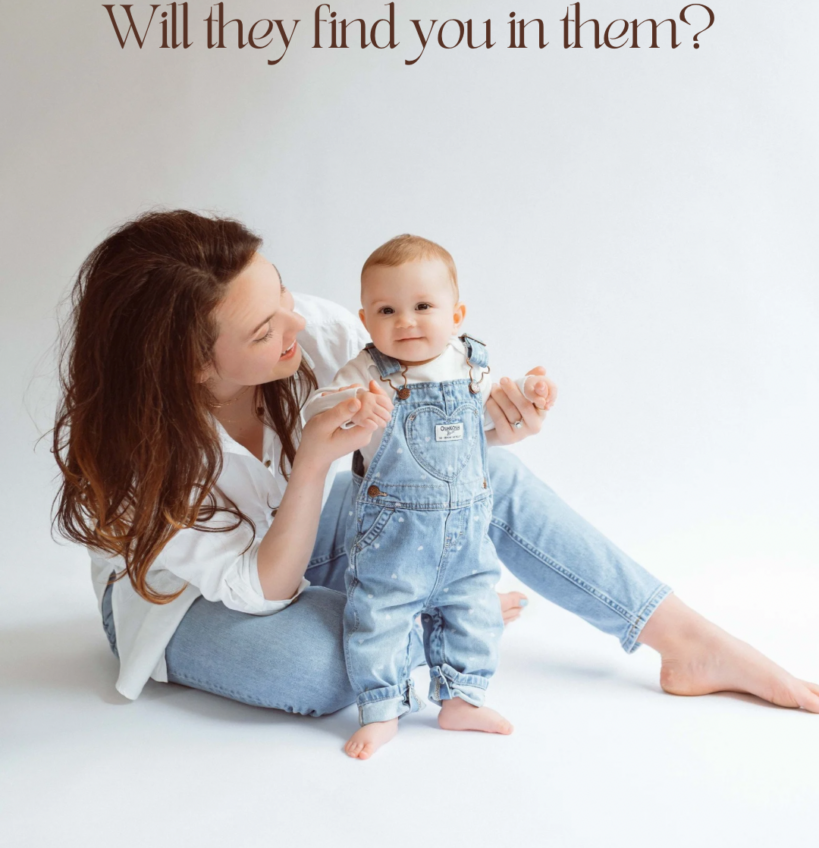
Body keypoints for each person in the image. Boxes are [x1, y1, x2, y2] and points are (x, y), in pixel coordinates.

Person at [52, 210, 819, 759]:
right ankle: (449, 618)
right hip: (189, 604)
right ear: (192, 366)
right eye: (262, 331)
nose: (294, 321)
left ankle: (686, 642)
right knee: (314, 669)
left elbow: (427, 437)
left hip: (309, 529)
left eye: (278, 292)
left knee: (488, 477)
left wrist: (490, 429)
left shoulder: (311, 334)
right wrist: (315, 461)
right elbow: (265, 591)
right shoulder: (132, 469)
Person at [303, 233, 557, 758]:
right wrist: (351, 405)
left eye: (423, 306)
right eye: (387, 309)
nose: (406, 321)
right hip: (391, 536)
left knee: (475, 613)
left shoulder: (472, 366)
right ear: (366, 319)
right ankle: (381, 708)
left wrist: (530, 392)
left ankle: (463, 698)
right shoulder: (369, 372)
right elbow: (318, 409)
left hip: (467, 533)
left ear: (456, 312)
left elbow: (496, 411)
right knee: (378, 616)